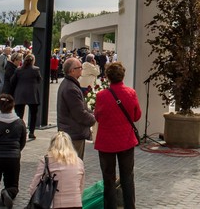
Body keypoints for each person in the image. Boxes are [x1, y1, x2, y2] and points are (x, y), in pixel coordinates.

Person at [94, 62, 141, 209]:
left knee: (108, 179)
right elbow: (136, 116)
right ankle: (130, 206)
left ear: (107, 77)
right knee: (127, 177)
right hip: (126, 141)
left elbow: (98, 117)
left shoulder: (102, 95)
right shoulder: (130, 92)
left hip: (106, 142)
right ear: (123, 76)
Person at [0, 94, 26, 208]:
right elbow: (22, 142)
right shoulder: (20, 123)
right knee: (13, 184)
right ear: (13, 106)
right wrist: (16, 151)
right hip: (13, 157)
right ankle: (7, 192)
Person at [27, 132, 85, 209]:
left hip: (56, 204)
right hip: (76, 204)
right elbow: (81, 186)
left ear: (52, 144)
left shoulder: (46, 160)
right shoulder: (79, 161)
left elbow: (35, 184)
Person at [57, 57, 96, 159]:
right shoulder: (70, 88)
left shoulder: (70, 85)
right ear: (72, 71)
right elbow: (79, 113)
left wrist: (91, 112)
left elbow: (81, 108)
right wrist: (94, 118)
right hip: (72, 134)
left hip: (71, 132)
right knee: (74, 166)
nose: (81, 70)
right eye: (80, 68)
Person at [10, 53, 42, 140]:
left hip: (20, 94)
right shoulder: (36, 69)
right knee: (33, 114)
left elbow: (12, 81)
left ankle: (21, 131)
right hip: (32, 94)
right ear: (33, 61)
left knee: (19, 115)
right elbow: (39, 80)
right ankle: (31, 132)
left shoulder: (18, 70)